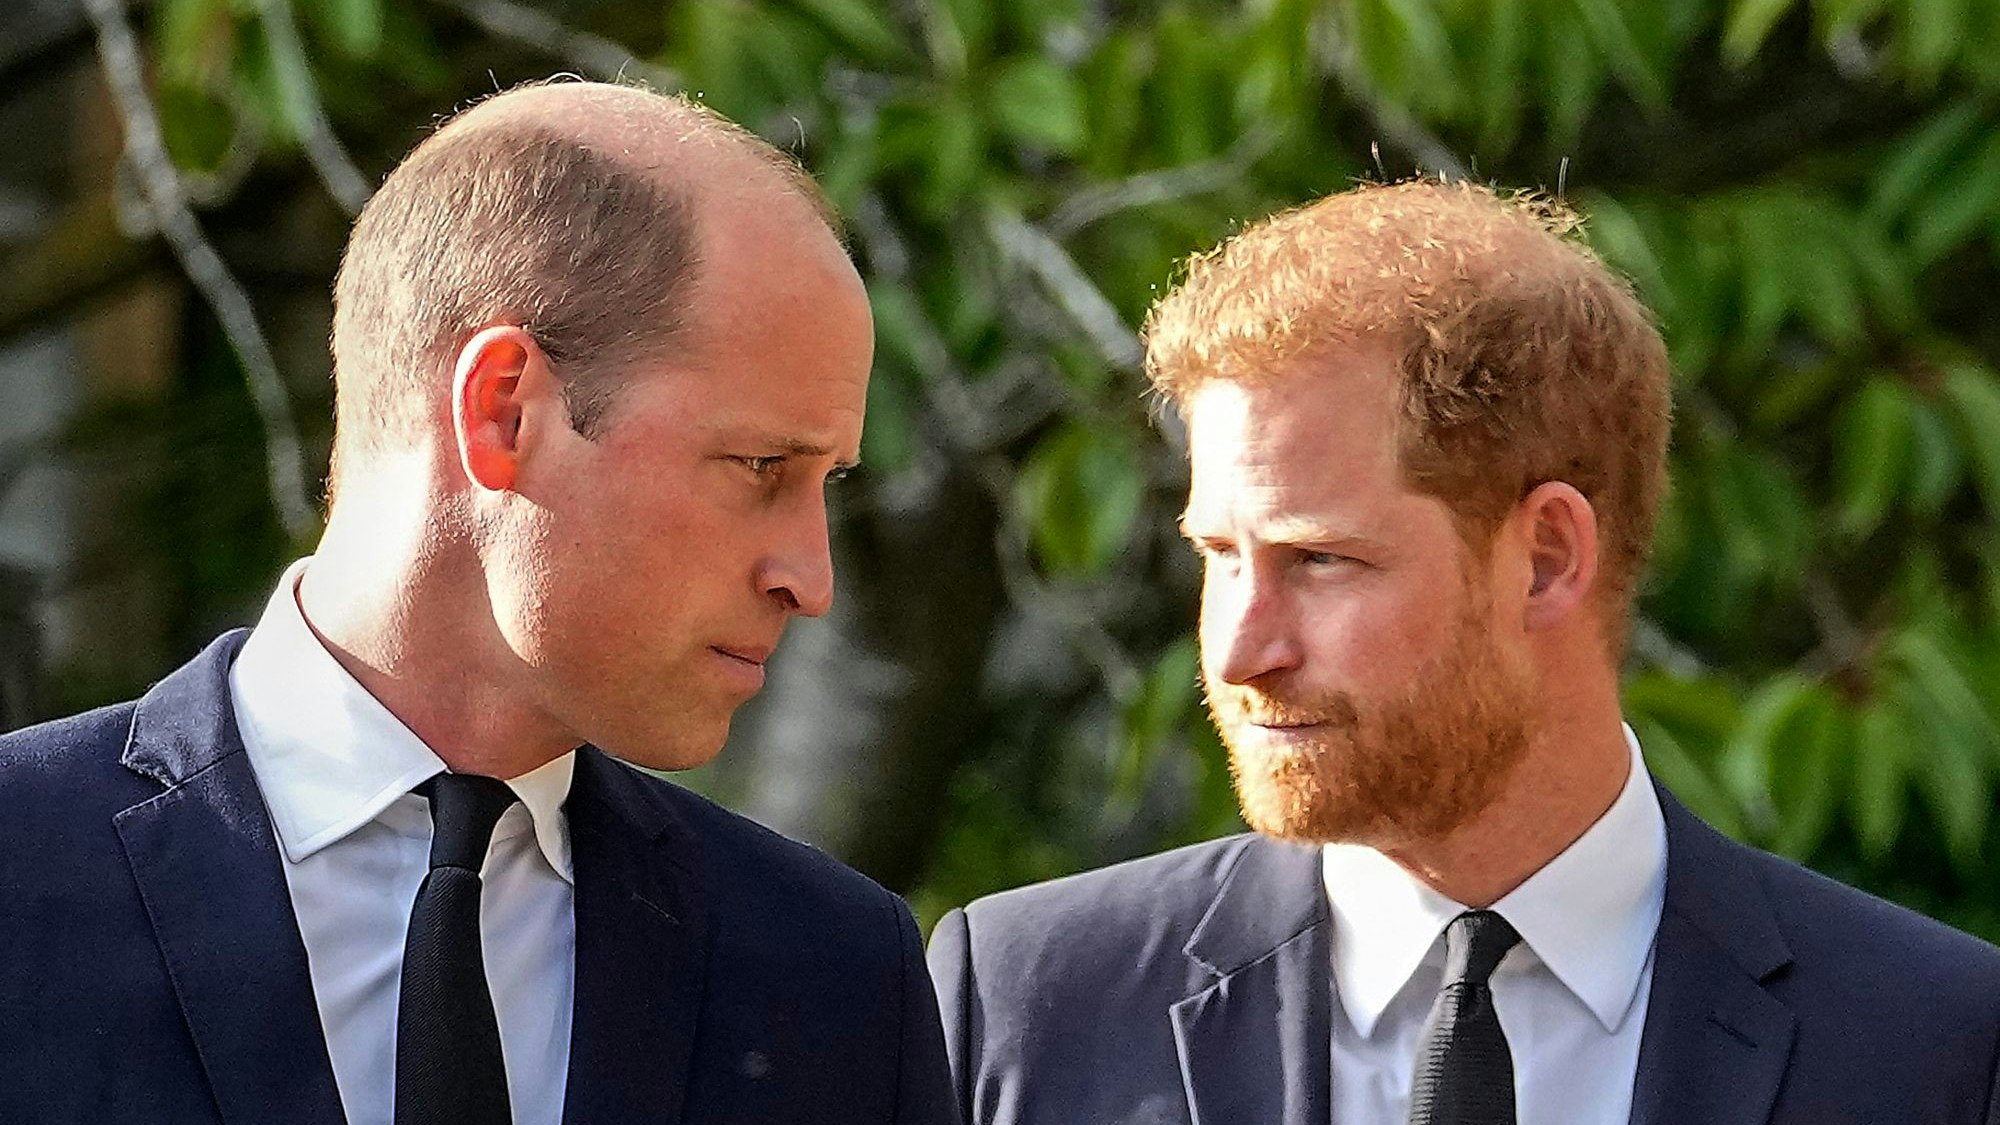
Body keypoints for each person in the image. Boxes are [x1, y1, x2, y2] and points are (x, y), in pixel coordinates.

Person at [926, 180, 2000, 1124]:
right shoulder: (1028, 1002)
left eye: (1318, 560)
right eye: (1216, 553)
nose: (1238, 648)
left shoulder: (1931, 1045)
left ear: (1543, 557)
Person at [0, 80, 954, 1125]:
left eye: (828, 483)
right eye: (760, 464)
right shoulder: (23, 867)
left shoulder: (833, 974)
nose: (807, 580)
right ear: (503, 410)